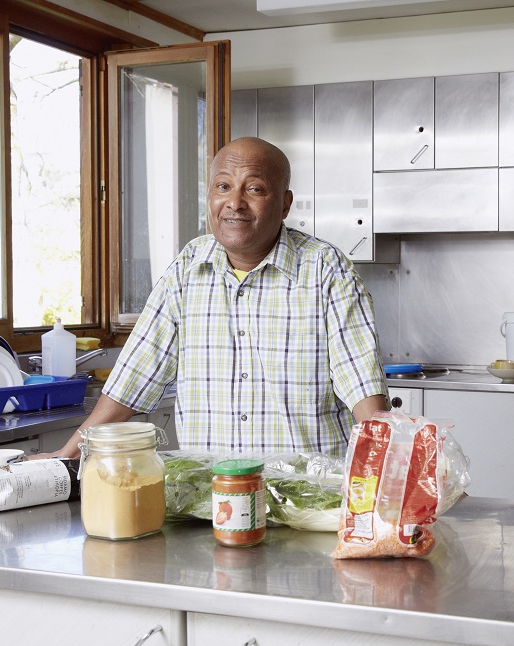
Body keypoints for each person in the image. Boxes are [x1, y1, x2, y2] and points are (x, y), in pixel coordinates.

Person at [42, 137, 388, 459]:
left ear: (284, 204)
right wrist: (66, 457)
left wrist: (389, 478)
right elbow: (131, 381)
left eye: (254, 189)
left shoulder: (325, 269)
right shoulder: (188, 268)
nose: (234, 203)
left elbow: (362, 388)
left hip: (307, 502)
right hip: (210, 501)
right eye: (223, 187)